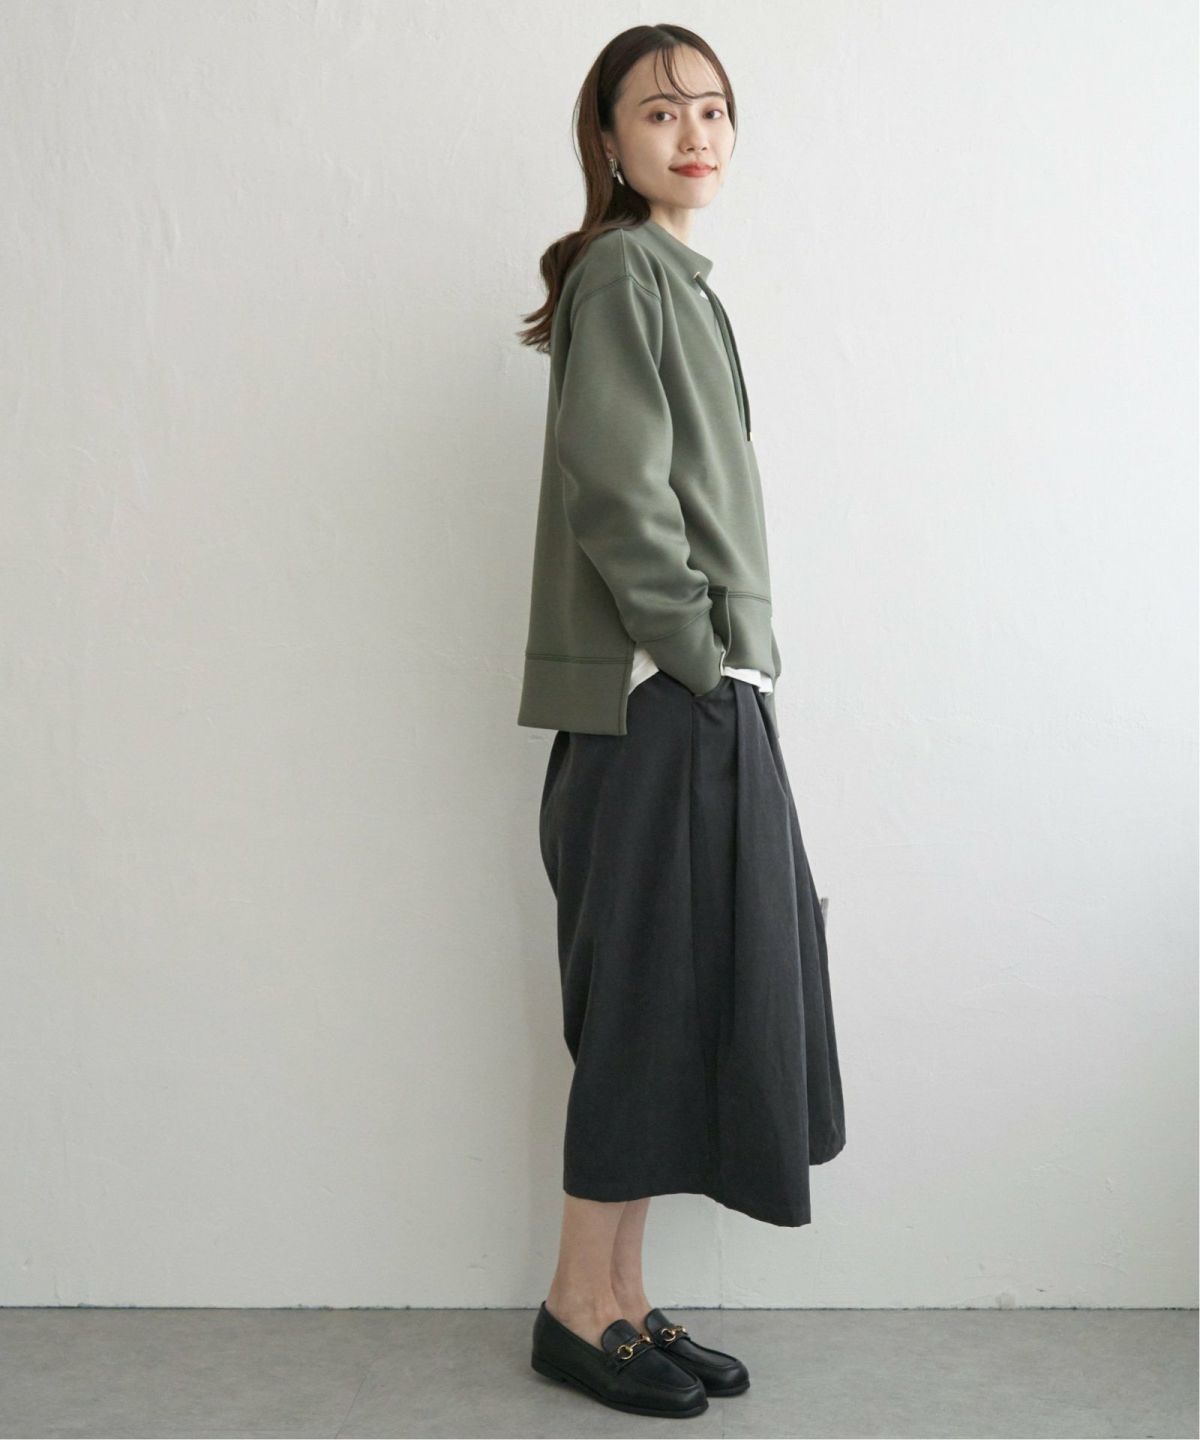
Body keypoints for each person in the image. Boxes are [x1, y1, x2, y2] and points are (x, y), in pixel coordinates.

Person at [515, 23, 846, 1420]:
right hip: (660, 701)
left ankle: (623, 1298)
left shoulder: (669, 279)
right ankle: (573, 1305)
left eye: (711, 108)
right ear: (607, 138)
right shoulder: (621, 274)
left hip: (701, 697)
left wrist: (728, 673)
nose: (693, 132)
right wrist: (703, 656)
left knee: (676, 1005)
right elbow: (617, 487)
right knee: (644, 1012)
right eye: (659, 112)